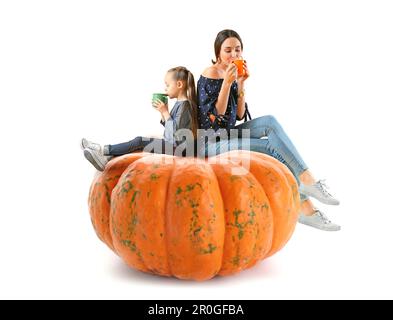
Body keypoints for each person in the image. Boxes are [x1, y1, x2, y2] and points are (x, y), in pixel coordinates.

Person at [196, 29, 341, 231]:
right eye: (228, 50)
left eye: (238, 50)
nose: (234, 55)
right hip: (210, 142)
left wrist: (240, 83)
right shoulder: (210, 74)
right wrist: (227, 84)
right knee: (271, 148)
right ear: (218, 52)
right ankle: (306, 208)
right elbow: (214, 120)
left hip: (228, 134)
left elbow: (238, 116)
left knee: (270, 122)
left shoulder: (233, 71)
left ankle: (308, 180)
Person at [81, 66, 198, 171]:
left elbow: (176, 134)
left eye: (168, 85)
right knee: (142, 141)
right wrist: (163, 113)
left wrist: (165, 112)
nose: (165, 88)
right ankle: (106, 156)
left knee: (139, 141)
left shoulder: (185, 106)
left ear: (179, 85)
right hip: (173, 145)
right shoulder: (180, 104)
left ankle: (102, 150)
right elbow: (170, 128)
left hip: (179, 150)